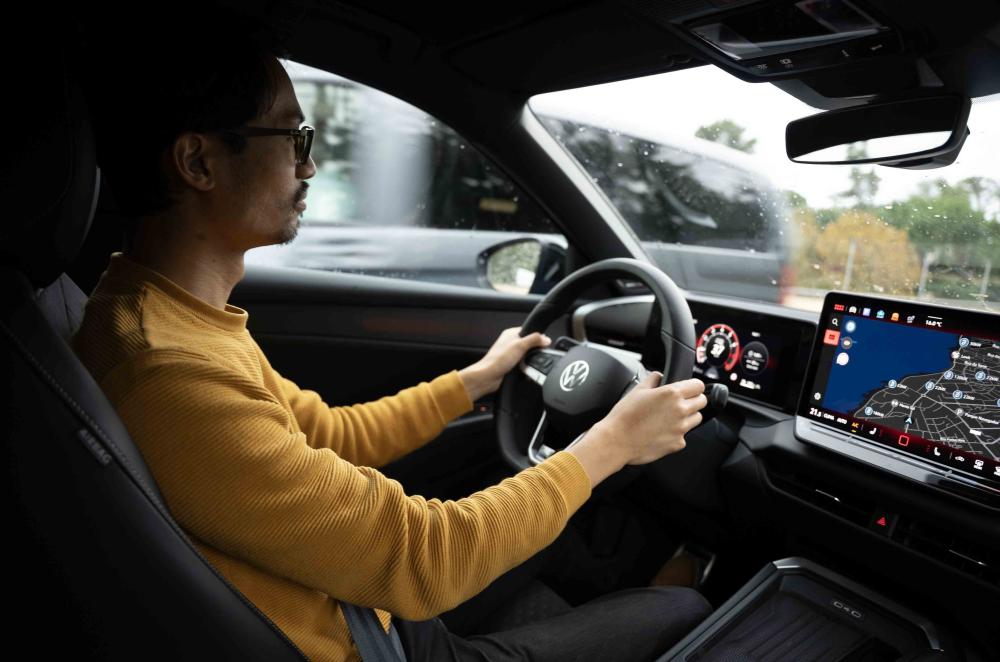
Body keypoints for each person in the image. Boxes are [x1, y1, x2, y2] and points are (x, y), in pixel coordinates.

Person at [71, 11, 711, 662]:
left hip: (355, 602)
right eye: (293, 138)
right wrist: (614, 443)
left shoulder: (161, 316)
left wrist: (475, 381)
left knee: (570, 536)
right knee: (686, 610)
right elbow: (425, 560)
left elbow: (330, 435)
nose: (311, 165)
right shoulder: (170, 374)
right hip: (365, 644)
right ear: (198, 161)